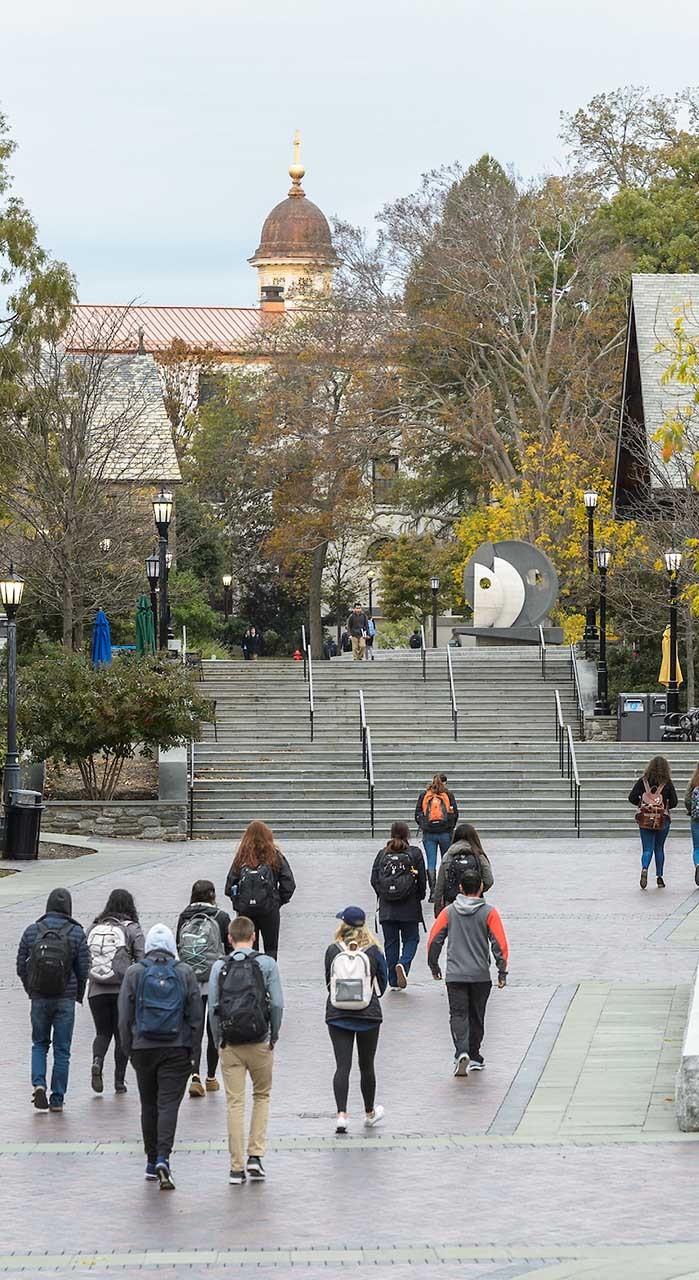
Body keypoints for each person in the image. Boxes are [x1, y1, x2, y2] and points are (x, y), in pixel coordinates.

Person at [118, 924, 203, 1191]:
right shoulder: (184, 972)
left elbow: (123, 1016)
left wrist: (128, 1048)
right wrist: (193, 1053)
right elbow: (196, 1017)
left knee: (148, 1104)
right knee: (168, 1105)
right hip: (176, 1047)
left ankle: (150, 1160)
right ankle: (164, 1158)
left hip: (143, 1048)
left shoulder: (134, 972)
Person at [208, 915, 284, 1185]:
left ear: (229, 939)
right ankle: (256, 1156)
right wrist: (273, 1035)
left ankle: (236, 1167)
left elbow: (213, 1007)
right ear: (253, 937)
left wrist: (219, 1041)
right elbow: (276, 1004)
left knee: (234, 1103)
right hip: (260, 1039)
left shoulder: (220, 966)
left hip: (230, 1044)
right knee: (261, 1096)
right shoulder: (266, 964)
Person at [427, 867, 508, 1076]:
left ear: (460, 888)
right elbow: (499, 942)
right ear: (481, 887)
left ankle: (460, 1051)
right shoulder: (489, 912)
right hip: (480, 974)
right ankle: (475, 1054)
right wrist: (501, 970)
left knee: (458, 1013)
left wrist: (433, 965)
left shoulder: (449, 912)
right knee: (476, 1015)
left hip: (455, 974)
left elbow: (434, 939)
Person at [16, 888, 90, 1113]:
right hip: (64, 999)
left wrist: (31, 989)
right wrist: (77, 994)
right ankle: (57, 1099)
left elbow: (21, 965)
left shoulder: (32, 931)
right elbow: (84, 968)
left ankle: (39, 1083)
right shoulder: (76, 932)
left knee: (39, 1044)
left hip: (39, 997)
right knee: (62, 1049)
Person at [325, 906, 387, 1134]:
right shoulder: (373, 950)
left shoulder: (333, 950)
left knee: (342, 1066)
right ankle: (369, 1113)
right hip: (368, 1015)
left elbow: (327, 981)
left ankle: (342, 1115)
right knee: (366, 1066)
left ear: (343, 925)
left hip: (338, 1014)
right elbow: (383, 983)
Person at [176, 879, 231, 1098]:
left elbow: (178, 946)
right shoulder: (221, 917)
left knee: (193, 1029)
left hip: (190, 981)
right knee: (213, 1028)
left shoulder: (184, 916)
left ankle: (194, 1075)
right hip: (215, 980)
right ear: (212, 895)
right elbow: (229, 949)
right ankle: (211, 1077)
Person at [87, 888, 145, 1095]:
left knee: (102, 1032)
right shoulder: (132, 929)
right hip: (122, 990)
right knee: (122, 1035)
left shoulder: (95, 926)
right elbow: (141, 960)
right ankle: (119, 1082)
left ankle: (97, 1061)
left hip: (96, 991)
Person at [224, 820, 296, 960]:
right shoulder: (274, 855)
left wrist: (239, 903)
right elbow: (289, 883)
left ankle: (252, 976)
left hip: (245, 909)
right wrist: (278, 900)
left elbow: (229, 886)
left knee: (248, 948)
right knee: (271, 948)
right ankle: (269, 975)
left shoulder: (241, 857)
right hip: (269, 909)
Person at [370, 821, 426, 990]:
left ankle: (393, 981)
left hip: (388, 909)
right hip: (409, 906)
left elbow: (374, 879)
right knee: (412, 939)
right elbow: (422, 880)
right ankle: (404, 963)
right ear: (408, 834)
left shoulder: (382, 853)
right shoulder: (414, 853)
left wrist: (384, 894)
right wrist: (419, 895)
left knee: (390, 943)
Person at [628, 754, 678, 889]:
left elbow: (631, 797)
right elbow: (674, 802)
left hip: (645, 819)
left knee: (647, 848)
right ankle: (659, 877)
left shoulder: (643, 781)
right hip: (662, 820)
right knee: (659, 848)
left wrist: (642, 803)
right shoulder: (667, 783)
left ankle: (644, 868)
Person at [433, 823, 494, 917]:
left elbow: (440, 885)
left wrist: (438, 909)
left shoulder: (448, 856)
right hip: (476, 904)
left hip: (452, 905)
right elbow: (489, 880)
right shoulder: (479, 855)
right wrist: (478, 890)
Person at [415, 774, 459, 901]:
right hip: (445, 833)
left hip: (429, 833)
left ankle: (433, 892)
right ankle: (446, 889)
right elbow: (455, 813)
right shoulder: (448, 795)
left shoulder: (424, 795)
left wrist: (424, 824)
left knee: (431, 862)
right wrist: (450, 827)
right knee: (447, 860)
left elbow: (417, 813)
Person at [685, 764, 699, 886]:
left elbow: (687, 799)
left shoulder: (694, 781)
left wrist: (691, 810)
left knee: (697, 847)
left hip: (696, 818)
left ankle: (698, 865)